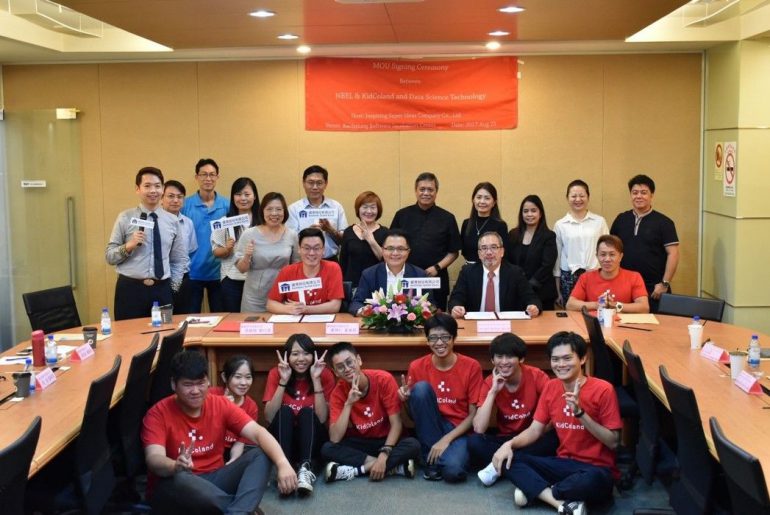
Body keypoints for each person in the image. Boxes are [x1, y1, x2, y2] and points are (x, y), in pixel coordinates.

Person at [141, 350, 297, 513]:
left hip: (214, 479)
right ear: (174, 384)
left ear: (208, 381)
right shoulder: (158, 413)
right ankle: (242, 508)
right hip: (178, 483)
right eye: (188, 385)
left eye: (201, 383)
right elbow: (154, 458)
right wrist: (175, 465)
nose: (196, 391)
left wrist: (282, 463)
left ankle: (237, 512)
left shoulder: (219, 404)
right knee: (181, 479)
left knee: (261, 453)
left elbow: (259, 433)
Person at [492, 332, 622, 515]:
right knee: (510, 460)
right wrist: (509, 444)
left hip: (595, 469)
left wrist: (580, 413)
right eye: (555, 359)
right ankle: (560, 502)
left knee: (593, 481)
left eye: (567, 358)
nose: (561, 364)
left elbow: (613, 442)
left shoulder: (603, 389)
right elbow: (535, 430)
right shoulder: (551, 386)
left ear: (583, 358)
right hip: (563, 464)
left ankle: (537, 491)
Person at [399, 313, 483, 482]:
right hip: (431, 426)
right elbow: (414, 417)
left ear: (454, 338)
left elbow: (473, 415)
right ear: (427, 341)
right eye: (433, 338)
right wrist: (406, 400)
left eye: (445, 337)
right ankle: (432, 461)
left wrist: (446, 439)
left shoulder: (472, 366)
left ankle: (430, 458)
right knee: (421, 389)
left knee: (453, 472)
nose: (439, 343)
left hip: (458, 430)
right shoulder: (416, 366)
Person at [321, 342, 420, 483]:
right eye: (340, 367)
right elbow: (335, 438)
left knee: (413, 444)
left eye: (349, 362)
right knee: (327, 448)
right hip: (362, 443)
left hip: (387, 440)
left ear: (359, 360)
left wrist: (384, 455)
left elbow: (397, 424)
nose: (347, 369)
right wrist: (348, 404)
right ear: (335, 372)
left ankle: (358, 470)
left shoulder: (383, 379)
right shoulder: (338, 393)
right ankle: (393, 468)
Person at [469, 333, 557, 487]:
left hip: (532, 436)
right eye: (499, 357)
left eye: (509, 357)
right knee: (474, 442)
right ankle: (516, 464)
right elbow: (479, 428)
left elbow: (553, 418)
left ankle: (499, 465)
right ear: (492, 360)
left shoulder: (537, 376)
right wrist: (493, 392)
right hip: (505, 438)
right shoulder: (490, 382)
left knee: (554, 438)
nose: (504, 362)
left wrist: (526, 438)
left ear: (521, 359)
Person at [106, 167, 187, 321]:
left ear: (162, 189)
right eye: (147, 186)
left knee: (165, 333)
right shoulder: (125, 217)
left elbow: (179, 259)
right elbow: (110, 256)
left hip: (162, 289)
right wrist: (129, 246)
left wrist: (172, 289)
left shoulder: (172, 221)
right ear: (138, 189)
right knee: (128, 334)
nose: (153, 190)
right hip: (130, 289)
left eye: (157, 186)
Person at [263, 334, 337, 496]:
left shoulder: (324, 374)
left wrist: (316, 379)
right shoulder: (276, 373)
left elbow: (322, 418)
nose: (301, 359)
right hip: (284, 440)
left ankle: (305, 468)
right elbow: (269, 417)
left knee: (306, 412)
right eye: (295, 354)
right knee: (285, 411)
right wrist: (283, 381)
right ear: (287, 356)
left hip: (311, 440)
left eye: (306, 353)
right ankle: (286, 468)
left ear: (313, 355)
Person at [390, 173, 461, 310]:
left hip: (435, 279)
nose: (426, 193)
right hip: (406, 277)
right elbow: (392, 246)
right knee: (404, 315)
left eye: (430, 189)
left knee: (436, 317)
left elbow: (454, 252)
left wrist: (437, 267)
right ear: (416, 191)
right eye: (422, 189)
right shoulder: (402, 215)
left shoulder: (447, 218)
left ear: (436, 192)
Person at [610, 174, 679, 313]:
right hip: (624, 285)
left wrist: (664, 284)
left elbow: (673, 254)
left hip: (654, 288)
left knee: (654, 324)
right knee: (621, 323)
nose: (639, 196)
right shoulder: (621, 219)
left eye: (643, 192)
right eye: (635, 193)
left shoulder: (664, 222)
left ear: (651, 195)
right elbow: (611, 250)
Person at [449, 232, 542, 318]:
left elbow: (531, 298)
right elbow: (456, 298)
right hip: (475, 323)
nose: (489, 252)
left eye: (494, 247)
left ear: (502, 252)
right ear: (479, 254)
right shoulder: (468, 272)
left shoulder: (515, 273)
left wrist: (533, 306)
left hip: (508, 324)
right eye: (484, 248)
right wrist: (456, 307)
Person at [234, 192, 299, 312]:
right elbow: (241, 269)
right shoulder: (249, 234)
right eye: (269, 209)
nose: (274, 213)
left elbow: (297, 267)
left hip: (282, 296)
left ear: (284, 212)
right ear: (262, 211)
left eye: (278, 209)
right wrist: (247, 256)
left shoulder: (292, 235)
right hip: (254, 298)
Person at [182, 158, 230, 313]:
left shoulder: (227, 205)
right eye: (203, 174)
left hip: (220, 272)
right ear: (196, 177)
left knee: (221, 316)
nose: (208, 178)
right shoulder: (185, 205)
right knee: (190, 318)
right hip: (192, 271)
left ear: (217, 177)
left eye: (212, 174)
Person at [553, 179, 609, 307]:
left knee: (598, 310)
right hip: (569, 278)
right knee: (572, 314)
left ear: (588, 197)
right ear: (567, 198)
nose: (578, 199)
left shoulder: (599, 222)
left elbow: (607, 250)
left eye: (582, 195)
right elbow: (557, 258)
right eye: (573, 196)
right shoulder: (560, 224)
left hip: (596, 275)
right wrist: (557, 290)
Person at [349, 229, 430, 315]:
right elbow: (356, 303)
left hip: (410, 323)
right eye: (390, 248)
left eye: (401, 249)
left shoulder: (420, 275)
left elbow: (430, 303)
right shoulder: (369, 274)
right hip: (378, 322)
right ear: (382, 250)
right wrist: (364, 310)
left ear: (408, 251)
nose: (395, 253)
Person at [266, 228, 345, 315]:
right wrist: (288, 309)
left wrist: (306, 309)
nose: (311, 253)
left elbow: (335, 306)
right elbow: (271, 304)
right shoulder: (287, 271)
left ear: (323, 250)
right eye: (307, 248)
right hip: (294, 321)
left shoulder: (333, 268)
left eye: (316, 248)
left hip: (324, 321)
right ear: (299, 249)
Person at [211, 177, 261, 313]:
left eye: (247, 194)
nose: (243, 198)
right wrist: (227, 248)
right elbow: (216, 252)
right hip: (231, 280)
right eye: (238, 194)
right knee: (233, 319)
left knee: (256, 319)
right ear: (233, 197)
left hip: (257, 280)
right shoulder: (224, 222)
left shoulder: (262, 221)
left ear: (254, 196)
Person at [566, 235, 649, 313]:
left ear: (620, 257)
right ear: (597, 256)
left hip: (623, 323)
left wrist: (614, 305)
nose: (607, 259)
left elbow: (644, 307)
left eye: (612, 254)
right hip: (595, 322)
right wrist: (597, 305)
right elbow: (570, 305)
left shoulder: (634, 277)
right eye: (603, 254)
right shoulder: (586, 277)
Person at [287, 165, 348, 261]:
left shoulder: (336, 207)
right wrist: (307, 233)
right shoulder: (294, 209)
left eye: (319, 183)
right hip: (304, 261)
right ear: (303, 183)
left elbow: (345, 241)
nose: (315, 187)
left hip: (331, 260)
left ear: (326, 184)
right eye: (310, 183)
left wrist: (331, 230)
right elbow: (290, 241)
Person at [507, 195, 558, 310]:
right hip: (517, 291)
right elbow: (508, 262)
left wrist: (529, 285)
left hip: (542, 292)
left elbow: (547, 265)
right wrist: (517, 284)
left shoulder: (549, 236)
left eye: (533, 211)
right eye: (525, 211)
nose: (529, 214)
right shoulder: (513, 234)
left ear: (540, 213)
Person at [208, 355, 259, 464]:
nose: (244, 383)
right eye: (238, 377)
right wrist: (221, 407)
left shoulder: (251, 406)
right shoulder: (211, 395)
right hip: (209, 449)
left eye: (248, 377)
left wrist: (232, 462)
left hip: (232, 452)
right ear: (224, 377)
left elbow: (240, 443)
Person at [162, 180, 198, 315]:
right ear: (161, 198)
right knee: (162, 320)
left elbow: (191, 249)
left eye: (180, 197)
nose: (175, 200)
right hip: (161, 280)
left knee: (183, 318)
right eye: (171, 196)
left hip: (183, 278)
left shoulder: (188, 223)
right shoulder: (153, 221)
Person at [339, 191, 388, 285]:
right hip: (352, 285)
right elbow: (343, 262)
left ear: (378, 210)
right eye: (365, 207)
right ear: (358, 209)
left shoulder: (385, 232)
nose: (369, 211)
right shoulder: (348, 232)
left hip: (376, 285)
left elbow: (387, 260)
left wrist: (371, 240)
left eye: (373, 207)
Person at [460, 182, 509, 264]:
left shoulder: (501, 225)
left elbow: (503, 255)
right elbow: (464, 252)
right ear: (473, 200)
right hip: (469, 269)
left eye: (487, 198)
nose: (482, 201)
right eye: (478, 197)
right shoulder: (466, 223)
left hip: (491, 269)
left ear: (494, 202)